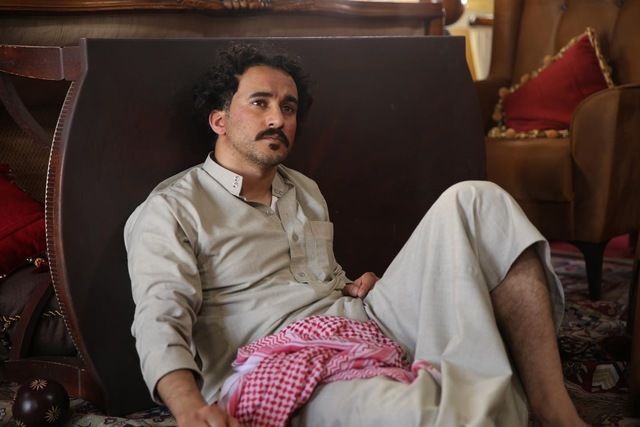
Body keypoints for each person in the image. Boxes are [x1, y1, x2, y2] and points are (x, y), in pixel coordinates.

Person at [124, 43, 587, 427]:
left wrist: (349, 284)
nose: (278, 119)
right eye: (260, 103)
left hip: (359, 320)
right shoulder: (172, 208)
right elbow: (159, 318)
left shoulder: (305, 189)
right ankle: (468, 390)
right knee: (419, 414)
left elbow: (317, 276)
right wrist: (188, 407)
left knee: (476, 200)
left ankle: (554, 409)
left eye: (288, 107)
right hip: (276, 360)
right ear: (219, 120)